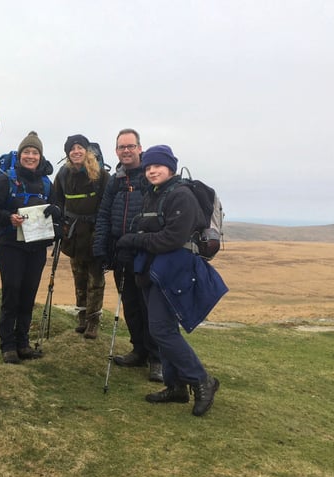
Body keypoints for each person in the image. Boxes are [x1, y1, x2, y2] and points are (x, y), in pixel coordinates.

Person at [116, 145, 222, 417]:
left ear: (171, 168)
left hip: (174, 271)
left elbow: (172, 239)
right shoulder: (155, 194)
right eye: (148, 167)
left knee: (162, 329)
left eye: (158, 166)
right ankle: (175, 386)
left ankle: (202, 380)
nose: (152, 171)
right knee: (159, 329)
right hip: (155, 271)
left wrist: (135, 240)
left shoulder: (181, 195)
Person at [92, 129, 162, 382]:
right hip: (120, 252)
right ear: (116, 151)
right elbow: (103, 215)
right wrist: (100, 249)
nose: (126, 151)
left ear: (140, 148)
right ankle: (139, 350)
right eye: (122, 147)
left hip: (147, 253)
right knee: (130, 305)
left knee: (149, 307)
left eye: (131, 146)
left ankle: (157, 358)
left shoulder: (151, 176)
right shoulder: (115, 181)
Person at [0, 131, 61, 363]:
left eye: (35, 152)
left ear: (40, 157)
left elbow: (56, 209)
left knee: (28, 294)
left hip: (37, 247)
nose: (30, 156)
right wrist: (9, 218)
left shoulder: (45, 183)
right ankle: (7, 345)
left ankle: (22, 342)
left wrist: (55, 212)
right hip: (10, 245)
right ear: (20, 154)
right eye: (27, 152)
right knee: (11, 293)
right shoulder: (6, 179)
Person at [54, 134, 110, 339]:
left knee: (96, 280)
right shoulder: (63, 175)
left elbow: (107, 207)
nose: (76, 151)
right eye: (72, 148)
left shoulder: (102, 176)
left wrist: (104, 235)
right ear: (68, 153)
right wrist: (60, 225)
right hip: (74, 235)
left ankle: (93, 321)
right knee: (79, 277)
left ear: (87, 151)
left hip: (95, 233)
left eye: (80, 147)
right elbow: (57, 202)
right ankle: (82, 317)